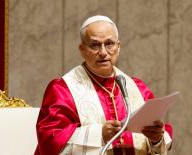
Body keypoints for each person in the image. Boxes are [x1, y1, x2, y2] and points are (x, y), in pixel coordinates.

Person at [34, 15, 173, 155]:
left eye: (109, 44)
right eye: (95, 45)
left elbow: (160, 138)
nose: (103, 52)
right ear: (82, 49)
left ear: (118, 47)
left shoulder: (138, 88)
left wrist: (156, 139)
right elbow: (49, 141)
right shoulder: (63, 90)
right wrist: (98, 134)